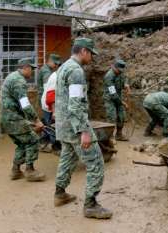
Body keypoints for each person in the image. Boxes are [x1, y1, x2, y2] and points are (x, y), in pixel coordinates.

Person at [54, 37, 112, 219]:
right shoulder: (76, 71)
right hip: (75, 127)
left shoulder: (64, 67)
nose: (92, 58)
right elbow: (75, 105)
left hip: (64, 126)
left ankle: (60, 194)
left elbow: (61, 99)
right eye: (91, 54)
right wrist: (84, 131)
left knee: (68, 159)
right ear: (84, 52)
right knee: (96, 162)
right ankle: (91, 205)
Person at [0, 58, 45, 182]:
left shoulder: (12, 77)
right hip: (13, 119)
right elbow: (25, 104)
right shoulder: (19, 81)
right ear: (25, 68)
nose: (32, 72)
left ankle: (15, 170)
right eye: (31, 69)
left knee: (22, 143)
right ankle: (30, 171)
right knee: (33, 140)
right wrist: (36, 120)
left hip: (7, 118)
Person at [103, 59, 130, 141]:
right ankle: (109, 137)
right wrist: (122, 102)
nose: (120, 72)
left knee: (121, 116)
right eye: (118, 70)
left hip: (118, 96)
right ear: (113, 67)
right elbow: (113, 94)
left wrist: (125, 85)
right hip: (110, 99)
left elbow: (124, 79)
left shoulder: (120, 72)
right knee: (111, 117)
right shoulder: (109, 76)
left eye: (121, 70)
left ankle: (119, 135)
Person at [40, 71, 60, 153]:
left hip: (51, 104)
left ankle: (44, 143)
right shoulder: (55, 77)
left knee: (48, 125)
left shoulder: (56, 74)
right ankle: (54, 145)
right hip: (49, 105)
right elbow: (51, 96)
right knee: (51, 126)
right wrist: (54, 111)